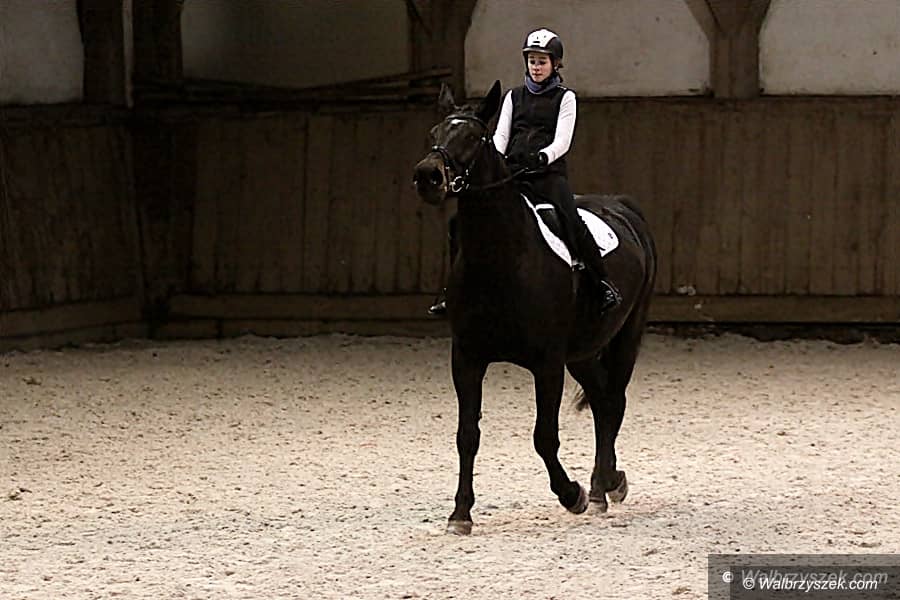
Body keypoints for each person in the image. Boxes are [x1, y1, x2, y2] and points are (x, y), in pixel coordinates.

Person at [428, 28, 620, 316]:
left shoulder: (565, 98)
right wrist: (498, 161)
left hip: (547, 175)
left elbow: (563, 140)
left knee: (570, 219)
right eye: (532, 61)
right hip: (514, 174)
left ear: (555, 64)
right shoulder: (513, 96)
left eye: (542, 61)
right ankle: (451, 290)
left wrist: (543, 156)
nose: (536, 67)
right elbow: (501, 136)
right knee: (459, 222)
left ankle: (601, 282)